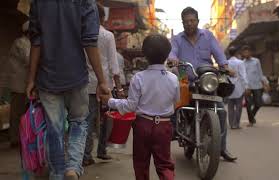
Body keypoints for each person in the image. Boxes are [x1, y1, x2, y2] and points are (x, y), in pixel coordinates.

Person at [27, 1, 110, 180]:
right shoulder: (86, 3)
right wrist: (102, 81)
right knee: (79, 122)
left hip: (47, 77)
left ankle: (57, 173)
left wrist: (31, 79)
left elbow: (36, 42)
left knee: (54, 129)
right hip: (76, 77)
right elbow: (90, 43)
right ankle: (72, 167)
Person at [168, 7, 237, 161]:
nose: (189, 24)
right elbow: (172, 52)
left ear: (197, 21)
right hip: (185, 77)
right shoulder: (177, 39)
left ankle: (221, 148)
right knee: (176, 103)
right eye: (186, 21)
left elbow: (219, 54)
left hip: (206, 79)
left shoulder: (208, 36)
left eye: (192, 20)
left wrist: (225, 67)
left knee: (220, 111)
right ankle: (174, 129)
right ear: (182, 23)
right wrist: (173, 59)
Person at [108, 34, 178, 180]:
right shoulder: (173, 79)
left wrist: (110, 101)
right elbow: (176, 100)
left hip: (143, 125)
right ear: (166, 55)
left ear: (144, 55)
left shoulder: (138, 78)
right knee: (164, 164)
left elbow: (130, 106)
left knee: (141, 163)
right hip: (164, 126)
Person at [83, 4, 124, 166]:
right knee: (108, 119)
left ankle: (86, 155)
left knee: (87, 120)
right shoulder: (107, 36)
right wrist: (119, 88)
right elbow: (114, 66)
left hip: (86, 85)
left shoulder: (82, 33)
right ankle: (102, 150)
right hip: (105, 85)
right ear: (102, 18)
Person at [7, 21, 30, 147]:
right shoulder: (21, 42)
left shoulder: (28, 43)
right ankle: (15, 139)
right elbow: (28, 59)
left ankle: (21, 137)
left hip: (24, 84)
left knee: (22, 112)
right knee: (17, 112)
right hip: (19, 85)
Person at [242, 45, 266, 127]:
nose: (246, 53)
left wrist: (265, 83)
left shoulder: (256, 61)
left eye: (247, 51)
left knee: (258, 103)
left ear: (250, 52)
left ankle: (252, 116)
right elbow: (243, 76)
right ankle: (251, 121)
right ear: (243, 53)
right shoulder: (242, 63)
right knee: (248, 104)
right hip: (247, 87)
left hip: (257, 85)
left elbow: (260, 73)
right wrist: (245, 86)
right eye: (245, 52)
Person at [227, 46, 248, 129]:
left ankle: (231, 124)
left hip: (229, 88)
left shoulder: (226, 63)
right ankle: (236, 124)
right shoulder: (240, 62)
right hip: (238, 88)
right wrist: (246, 86)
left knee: (230, 107)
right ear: (236, 53)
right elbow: (243, 75)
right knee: (238, 107)